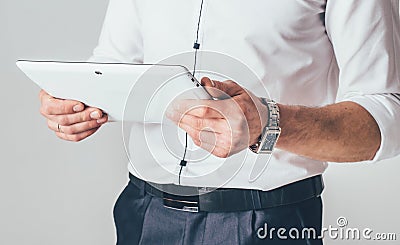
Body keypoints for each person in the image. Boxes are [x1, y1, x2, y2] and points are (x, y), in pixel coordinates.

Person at [38, 0, 400, 244]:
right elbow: (116, 63)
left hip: (268, 221)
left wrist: (267, 122)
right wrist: (76, 102)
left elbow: (387, 114)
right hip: (142, 212)